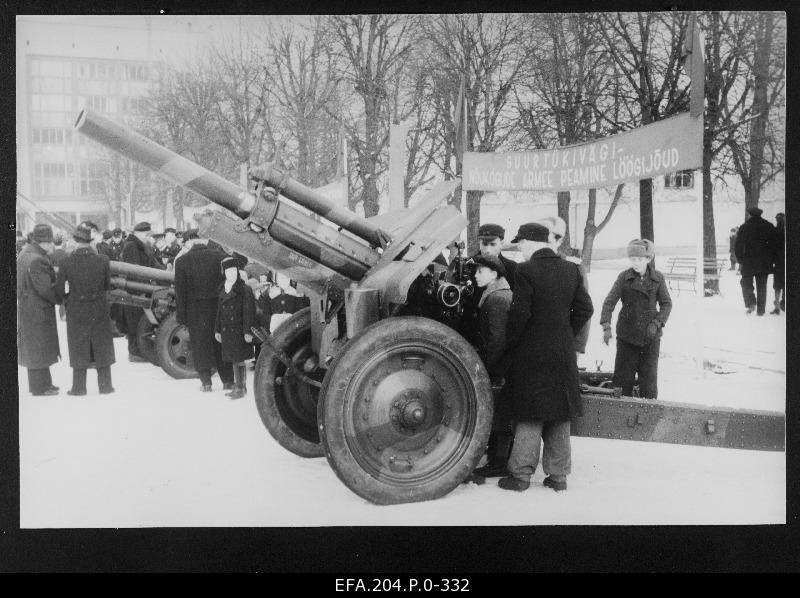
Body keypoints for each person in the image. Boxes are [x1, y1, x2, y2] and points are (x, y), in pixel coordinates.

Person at [497, 223, 594, 493]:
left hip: (532, 351)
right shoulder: (571, 269)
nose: (519, 250)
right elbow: (586, 308)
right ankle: (558, 476)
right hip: (562, 351)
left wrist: (513, 343)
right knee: (559, 412)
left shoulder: (526, 270)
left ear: (529, 242)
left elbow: (519, 315)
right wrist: (564, 332)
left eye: (520, 245)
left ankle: (520, 476)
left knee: (530, 411)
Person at [600, 239, 672, 400]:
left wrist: (656, 323)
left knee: (649, 385)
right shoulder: (624, 277)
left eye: (640, 259)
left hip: (650, 339)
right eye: (633, 259)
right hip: (627, 337)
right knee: (622, 383)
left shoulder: (658, 278)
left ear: (648, 259)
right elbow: (609, 302)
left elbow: (667, 304)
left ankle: (647, 419)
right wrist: (606, 326)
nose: (636, 263)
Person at [468, 254, 513, 482]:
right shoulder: (497, 294)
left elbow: (497, 341)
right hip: (502, 364)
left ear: (494, 274)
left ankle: (499, 462)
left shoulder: (496, 299)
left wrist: (485, 367)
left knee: (501, 413)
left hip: (501, 366)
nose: (476, 275)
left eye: (480, 271)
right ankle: (497, 459)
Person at [55, 225, 116, 395]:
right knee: (101, 344)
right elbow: (107, 286)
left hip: (77, 309)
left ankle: (78, 388)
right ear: (90, 242)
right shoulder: (103, 260)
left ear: (74, 242)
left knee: (78, 344)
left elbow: (59, 291)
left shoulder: (65, 262)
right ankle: (105, 386)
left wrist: (67, 299)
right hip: (98, 307)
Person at [174, 229, 235, 392]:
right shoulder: (220, 257)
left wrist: (182, 317)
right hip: (218, 307)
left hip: (195, 310)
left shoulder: (181, 262)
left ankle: (206, 382)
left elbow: (180, 292)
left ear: (189, 242)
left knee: (200, 344)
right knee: (221, 342)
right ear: (204, 240)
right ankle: (228, 381)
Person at [17, 224, 61, 396]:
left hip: (28, 308)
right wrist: (60, 299)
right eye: (50, 243)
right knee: (39, 347)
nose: (51, 246)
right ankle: (39, 388)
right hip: (38, 310)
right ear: (43, 242)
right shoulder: (38, 259)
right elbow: (45, 289)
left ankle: (45, 384)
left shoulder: (24, 254)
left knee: (36, 347)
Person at [460, 224, 518, 347]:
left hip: (498, 335)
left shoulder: (513, 269)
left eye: (492, 244)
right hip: (470, 335)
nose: (487, 249)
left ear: (501, 243)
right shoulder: (467, 266)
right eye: (484, 244)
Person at [214, 257, 257, 399]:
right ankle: (239, 386)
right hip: (227, 330)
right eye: (228, 270)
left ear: (238, 271)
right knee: (233, 359)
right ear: (224, 272)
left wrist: (247, 331)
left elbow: (249, 312)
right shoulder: (222, 288)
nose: (231, 273)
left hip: (238, 330)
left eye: (233, 270)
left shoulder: (245, 289)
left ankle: (240, 387)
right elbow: (219, 312)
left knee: (239, 359)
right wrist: (217, 330)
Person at [120, 221, 163, 361]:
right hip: (135, 290)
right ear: (138, 233)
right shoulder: (131, 247)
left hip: (142, 289)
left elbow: (153, 264)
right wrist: (143, 287)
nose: (148, 237)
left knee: (138, 321)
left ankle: (138, 352)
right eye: (146, 234)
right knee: (135, 321)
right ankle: (134, 353)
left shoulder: (141, 246)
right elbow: (134, 271)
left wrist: (165, 270)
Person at [734, 206, 776, 316]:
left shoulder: (745, 227)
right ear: (760, 214)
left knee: (745, 283)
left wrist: (741, 259)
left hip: (749, 261)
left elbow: (738, 245)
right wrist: (771, 259)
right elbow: (774, 245)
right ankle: (761, 310)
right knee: (762, 287)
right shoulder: (768, 226)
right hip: (764, 262)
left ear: (750, 214)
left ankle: (751, 303)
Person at [771, 213, 785, 314]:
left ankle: (777, 306)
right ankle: (783, 302)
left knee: (777, 285)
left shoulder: (775, 232)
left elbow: (772, 247)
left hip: (778, 262)